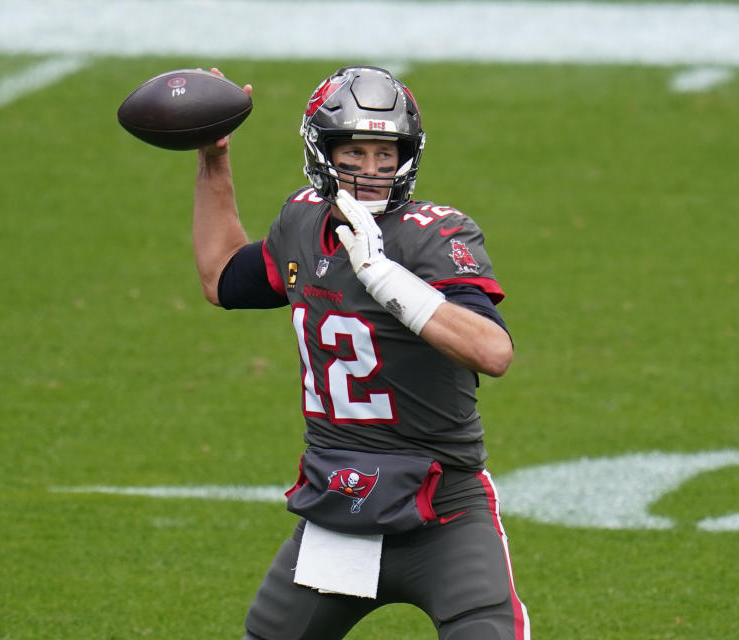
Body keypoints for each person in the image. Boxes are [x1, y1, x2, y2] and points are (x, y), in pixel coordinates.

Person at [193, 65, 530, 640]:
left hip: (442, 509)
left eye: (385, 152)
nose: (371, 170)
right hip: (341, 503)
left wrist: (386, 278)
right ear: (322, 150)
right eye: (355, 150)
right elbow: (221, 276)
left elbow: (492, 351)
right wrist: (213, 160)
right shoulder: (302, 220)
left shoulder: (433, 233)